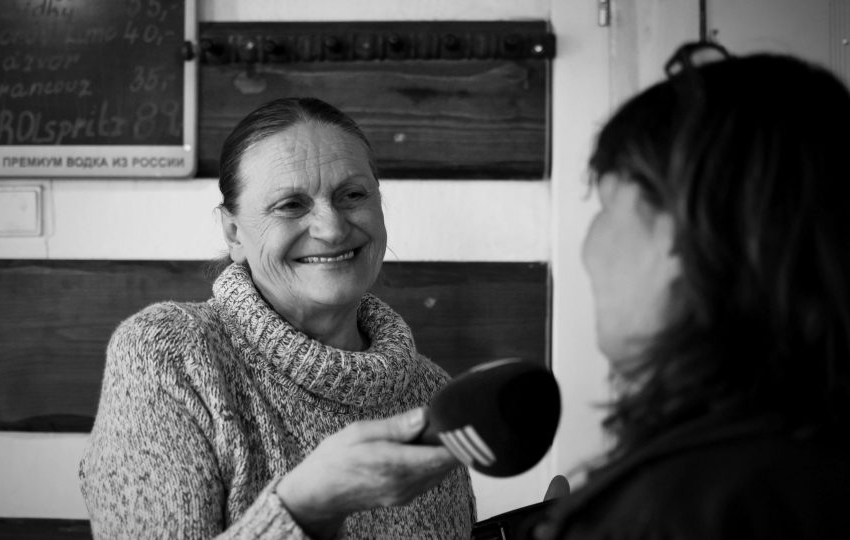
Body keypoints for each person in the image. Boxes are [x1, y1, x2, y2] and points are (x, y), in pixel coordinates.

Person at [79, 97, 475, 539]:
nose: (332, 228)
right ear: (234, 233)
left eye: (353, 195)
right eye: (290, 205)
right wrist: (309, 505)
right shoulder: (170, 356)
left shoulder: (431, 391)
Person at [540, 49, 850, 538]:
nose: (587, 251)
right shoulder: (816, 455)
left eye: (605, 206)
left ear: (676, 233)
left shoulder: (673, 511)